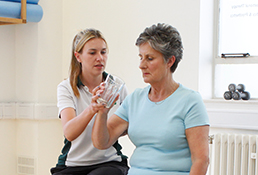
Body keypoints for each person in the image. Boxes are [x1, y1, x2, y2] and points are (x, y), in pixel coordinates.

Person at [91, 23, 210, 175]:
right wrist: (102, 113)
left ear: (170, 61)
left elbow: (201, 160)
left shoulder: (190, 101)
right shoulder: (135, 99)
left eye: (150, 58)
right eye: (141, 57)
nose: (141, 65)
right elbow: (101, 142)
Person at [50, 28, 129, 175]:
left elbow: (128, 126)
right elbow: (69, 132)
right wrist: (92, 108)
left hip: (109, 162)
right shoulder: (66, 88)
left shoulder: (116, 85)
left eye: (103, 52)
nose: (100, 58)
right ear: (78, 56)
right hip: (72, 164)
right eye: (92, 53)